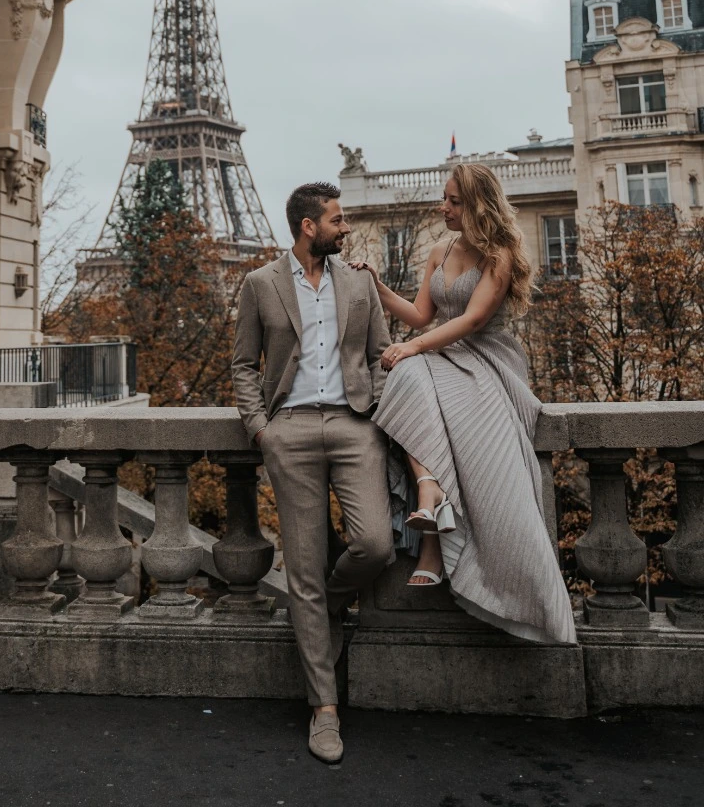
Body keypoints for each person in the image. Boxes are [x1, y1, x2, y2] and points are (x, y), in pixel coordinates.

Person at [361, 161, 576, 644]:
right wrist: (377, 286)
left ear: (478, 205)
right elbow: (420, 316)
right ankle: (429, 489)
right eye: (445, 198)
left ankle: (438, 537)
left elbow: (475, 320)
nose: (444, 207)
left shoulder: (500, 254)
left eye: (454, 201)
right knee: (405, 375)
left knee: (412, 371)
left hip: (485, 359)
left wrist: (414, 347)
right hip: (440, 353)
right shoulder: (440, 249)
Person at [232, 181, 394, 765]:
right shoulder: (259, 284)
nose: (344, 226)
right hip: (291, 430)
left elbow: (383, 351)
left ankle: (322, 606)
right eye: (337, 218)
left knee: (375, 543)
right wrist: (260, 428)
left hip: (354, 426)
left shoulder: (358, 282)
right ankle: (324, 708)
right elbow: (242, 363)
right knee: (300, 565)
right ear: (308, 226)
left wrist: (374, 416)